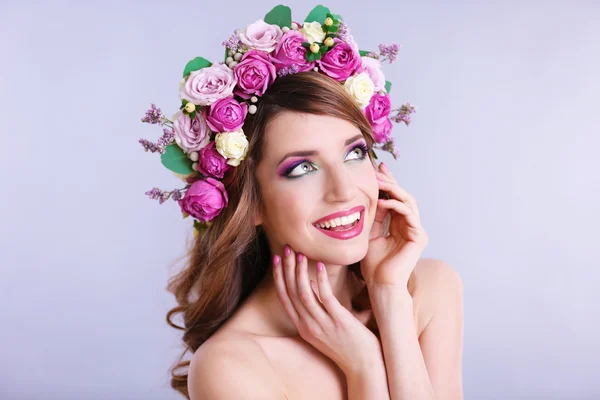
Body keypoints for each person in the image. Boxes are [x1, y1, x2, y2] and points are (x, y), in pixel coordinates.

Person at [140, 6, 464, 399]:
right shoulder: (231, 366)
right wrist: (363, 366)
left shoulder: (427, 290)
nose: (344, 190)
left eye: (354, 154)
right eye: (302, 168)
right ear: (251, 203)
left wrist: (389, 296)